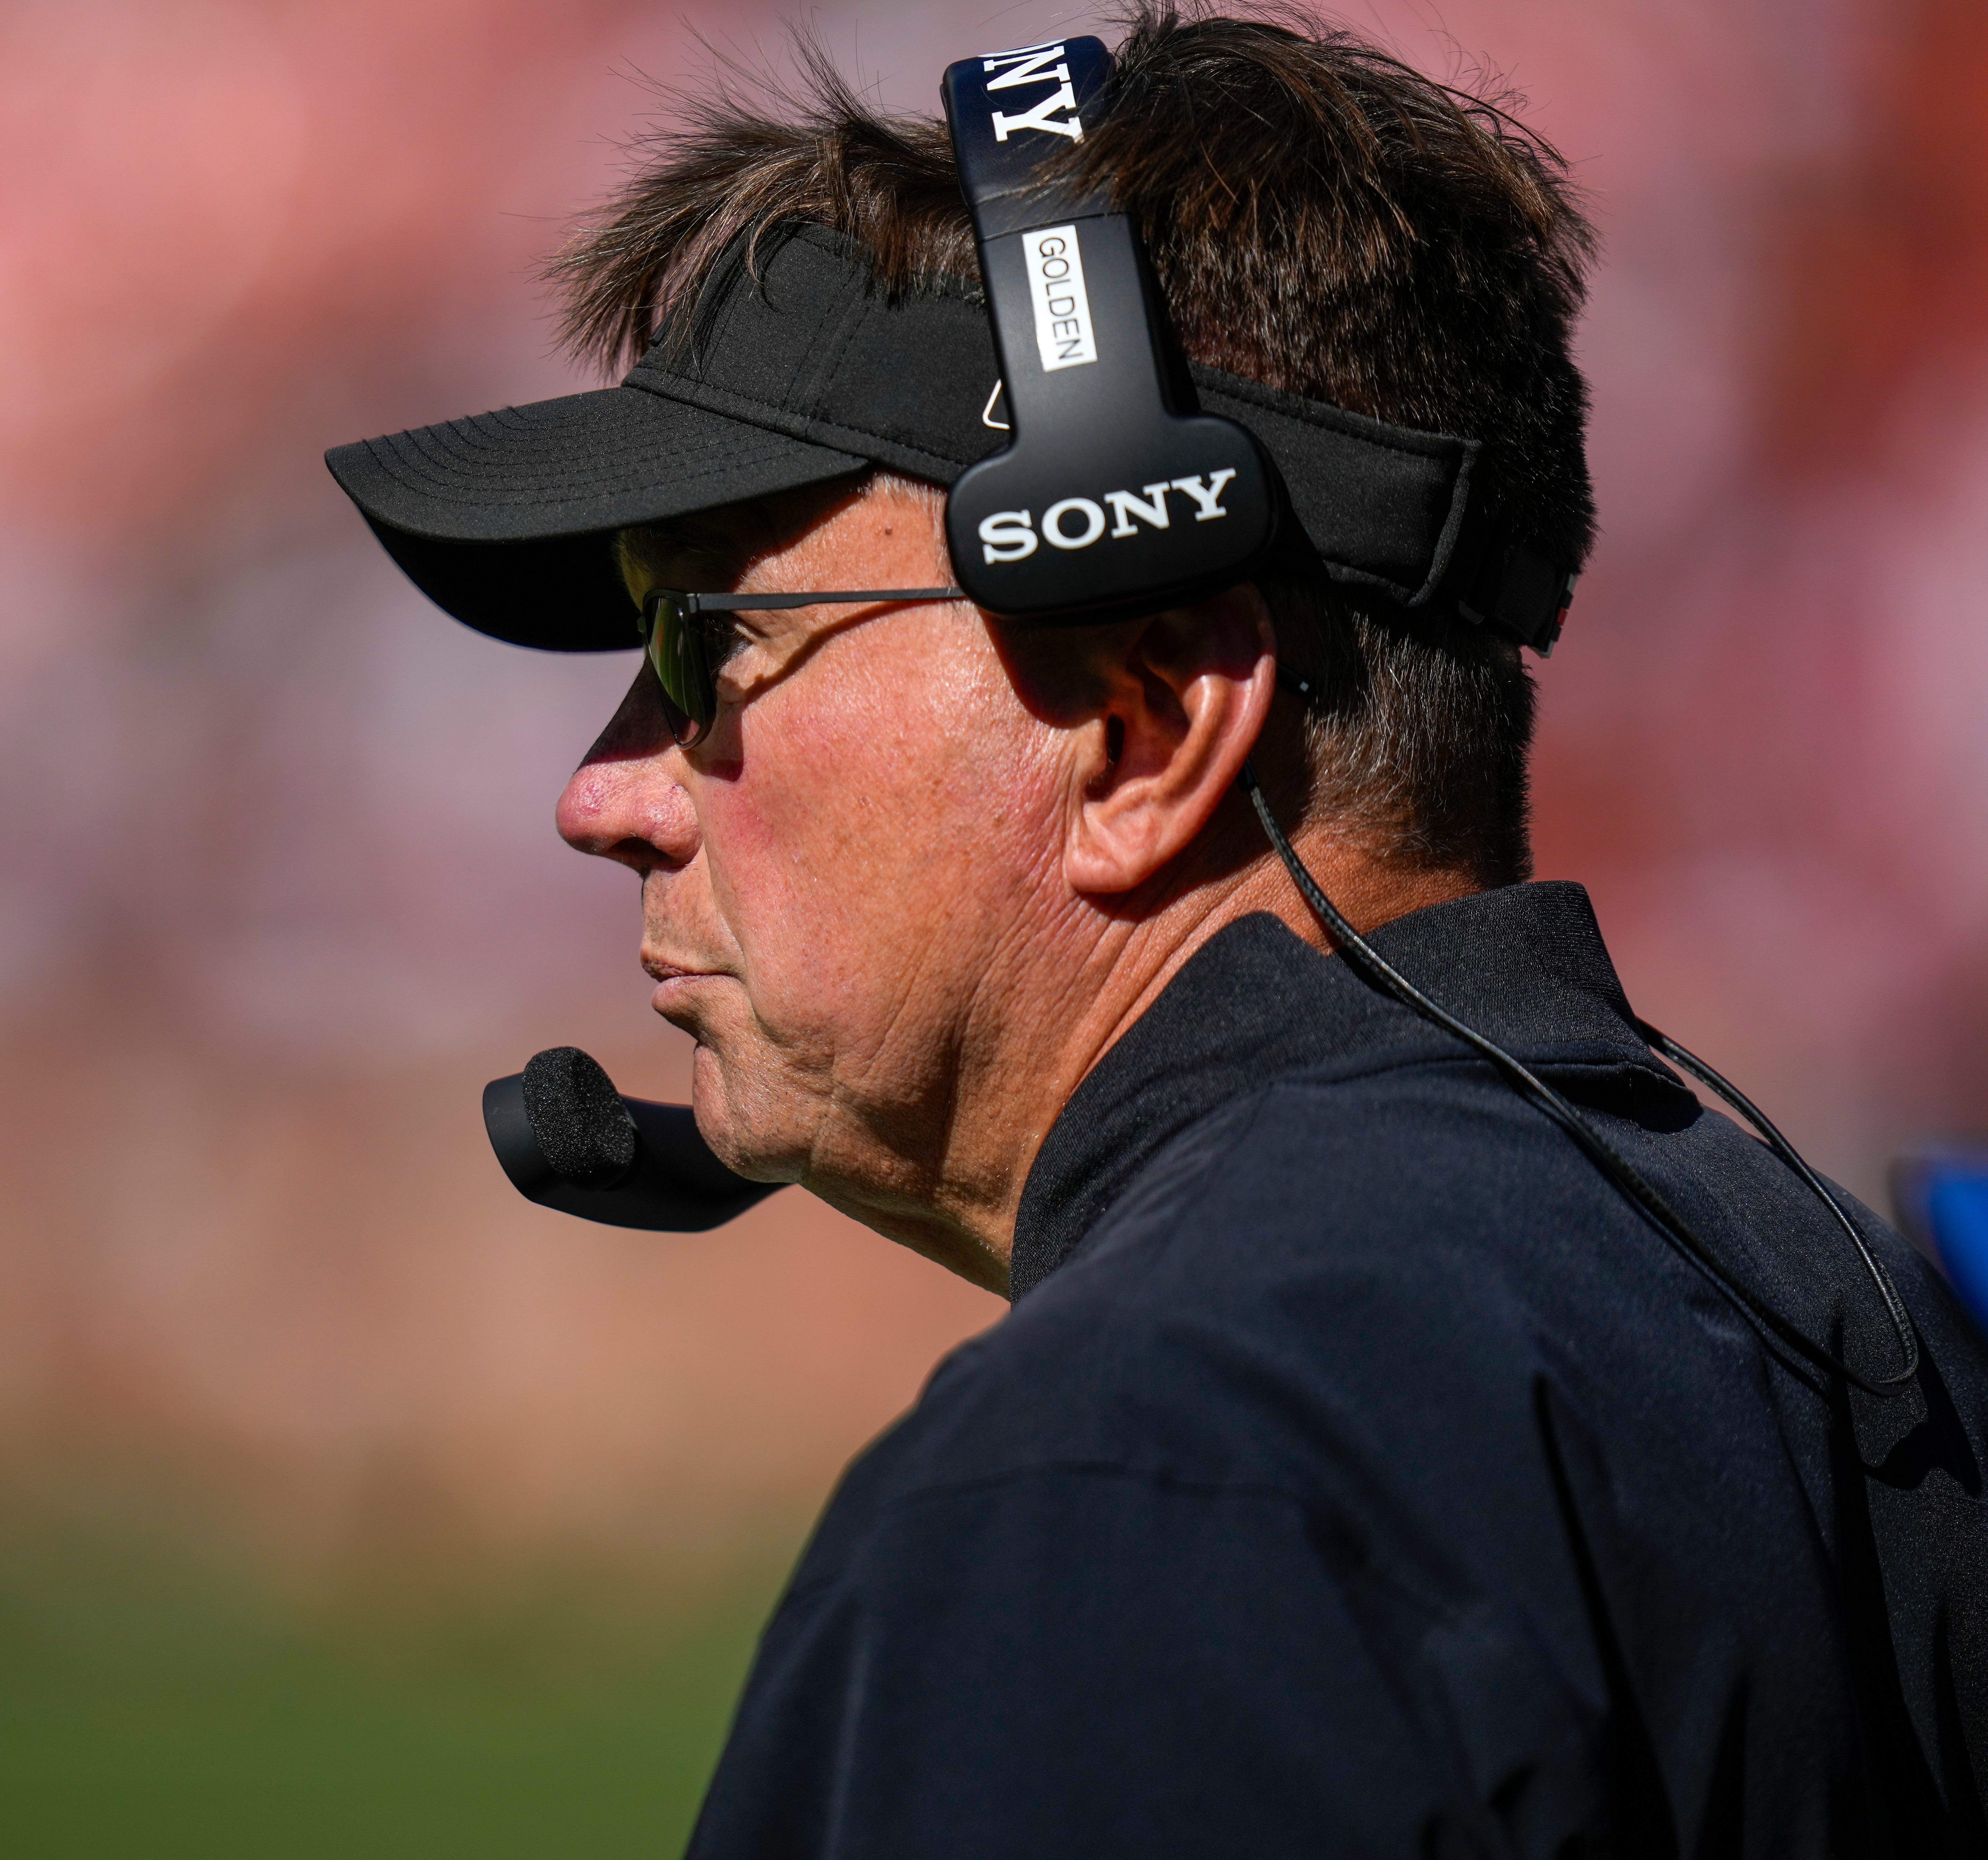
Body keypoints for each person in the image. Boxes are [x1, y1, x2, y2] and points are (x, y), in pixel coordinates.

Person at [326, 6, 1988, 1853]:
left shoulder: (1138, 1482)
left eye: (702, 648)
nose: (605, 791)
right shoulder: (1851, 1322)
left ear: (1146, 725)